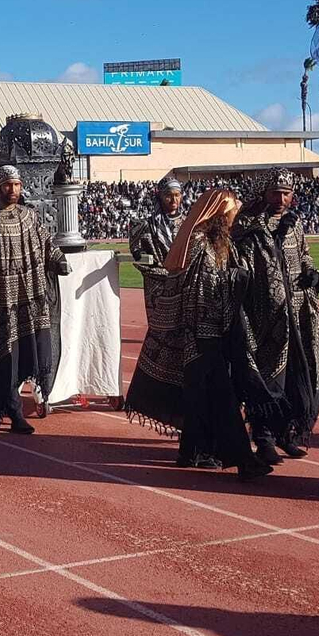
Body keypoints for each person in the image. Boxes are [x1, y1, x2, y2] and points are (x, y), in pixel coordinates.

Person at [164, 189, 269, 482]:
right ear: (219, 216)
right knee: (223, 397)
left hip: (216, 330)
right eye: (231, 214)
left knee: (200, 396)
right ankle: (244, 460)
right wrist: (234, 280)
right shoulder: (198, 243)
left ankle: (189, 452)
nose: (233, 220)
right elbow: (197, 286)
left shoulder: (222, 243)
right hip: (200, 332)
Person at [0, 165, 68, 433]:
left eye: (17, 185)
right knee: (4, 359)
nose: (13, 190)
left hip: (28, 302)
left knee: (25, 357)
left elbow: (47, 245)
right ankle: (13, 412)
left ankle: (15, 408)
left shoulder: (29, 218)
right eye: (8, 185)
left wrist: (58, 261)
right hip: (1, 303)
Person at [232, 168, 319, 468]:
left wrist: (312, 272)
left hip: (298, 312)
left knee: (300, 376)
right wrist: (276, 233)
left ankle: (289, 432)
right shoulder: (249, 224)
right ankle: (263, 438)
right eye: (276, 192)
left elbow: (304, 254)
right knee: (270, 377)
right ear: (265, 193)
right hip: (266, 316)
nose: (281, 199)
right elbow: (245, 258)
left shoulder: (295, 224)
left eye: (286, 193)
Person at [123, 177, 192, 442]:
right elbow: (140, 259)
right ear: (159, 197)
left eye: (177, 195)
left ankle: (184, 411)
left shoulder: (192, 224)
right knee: (164, 350)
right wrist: (165, 274)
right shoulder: (145, 226)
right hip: (160, 296)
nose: (173, 200)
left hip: (187, 294)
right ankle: (161, 405)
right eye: (168, 196)